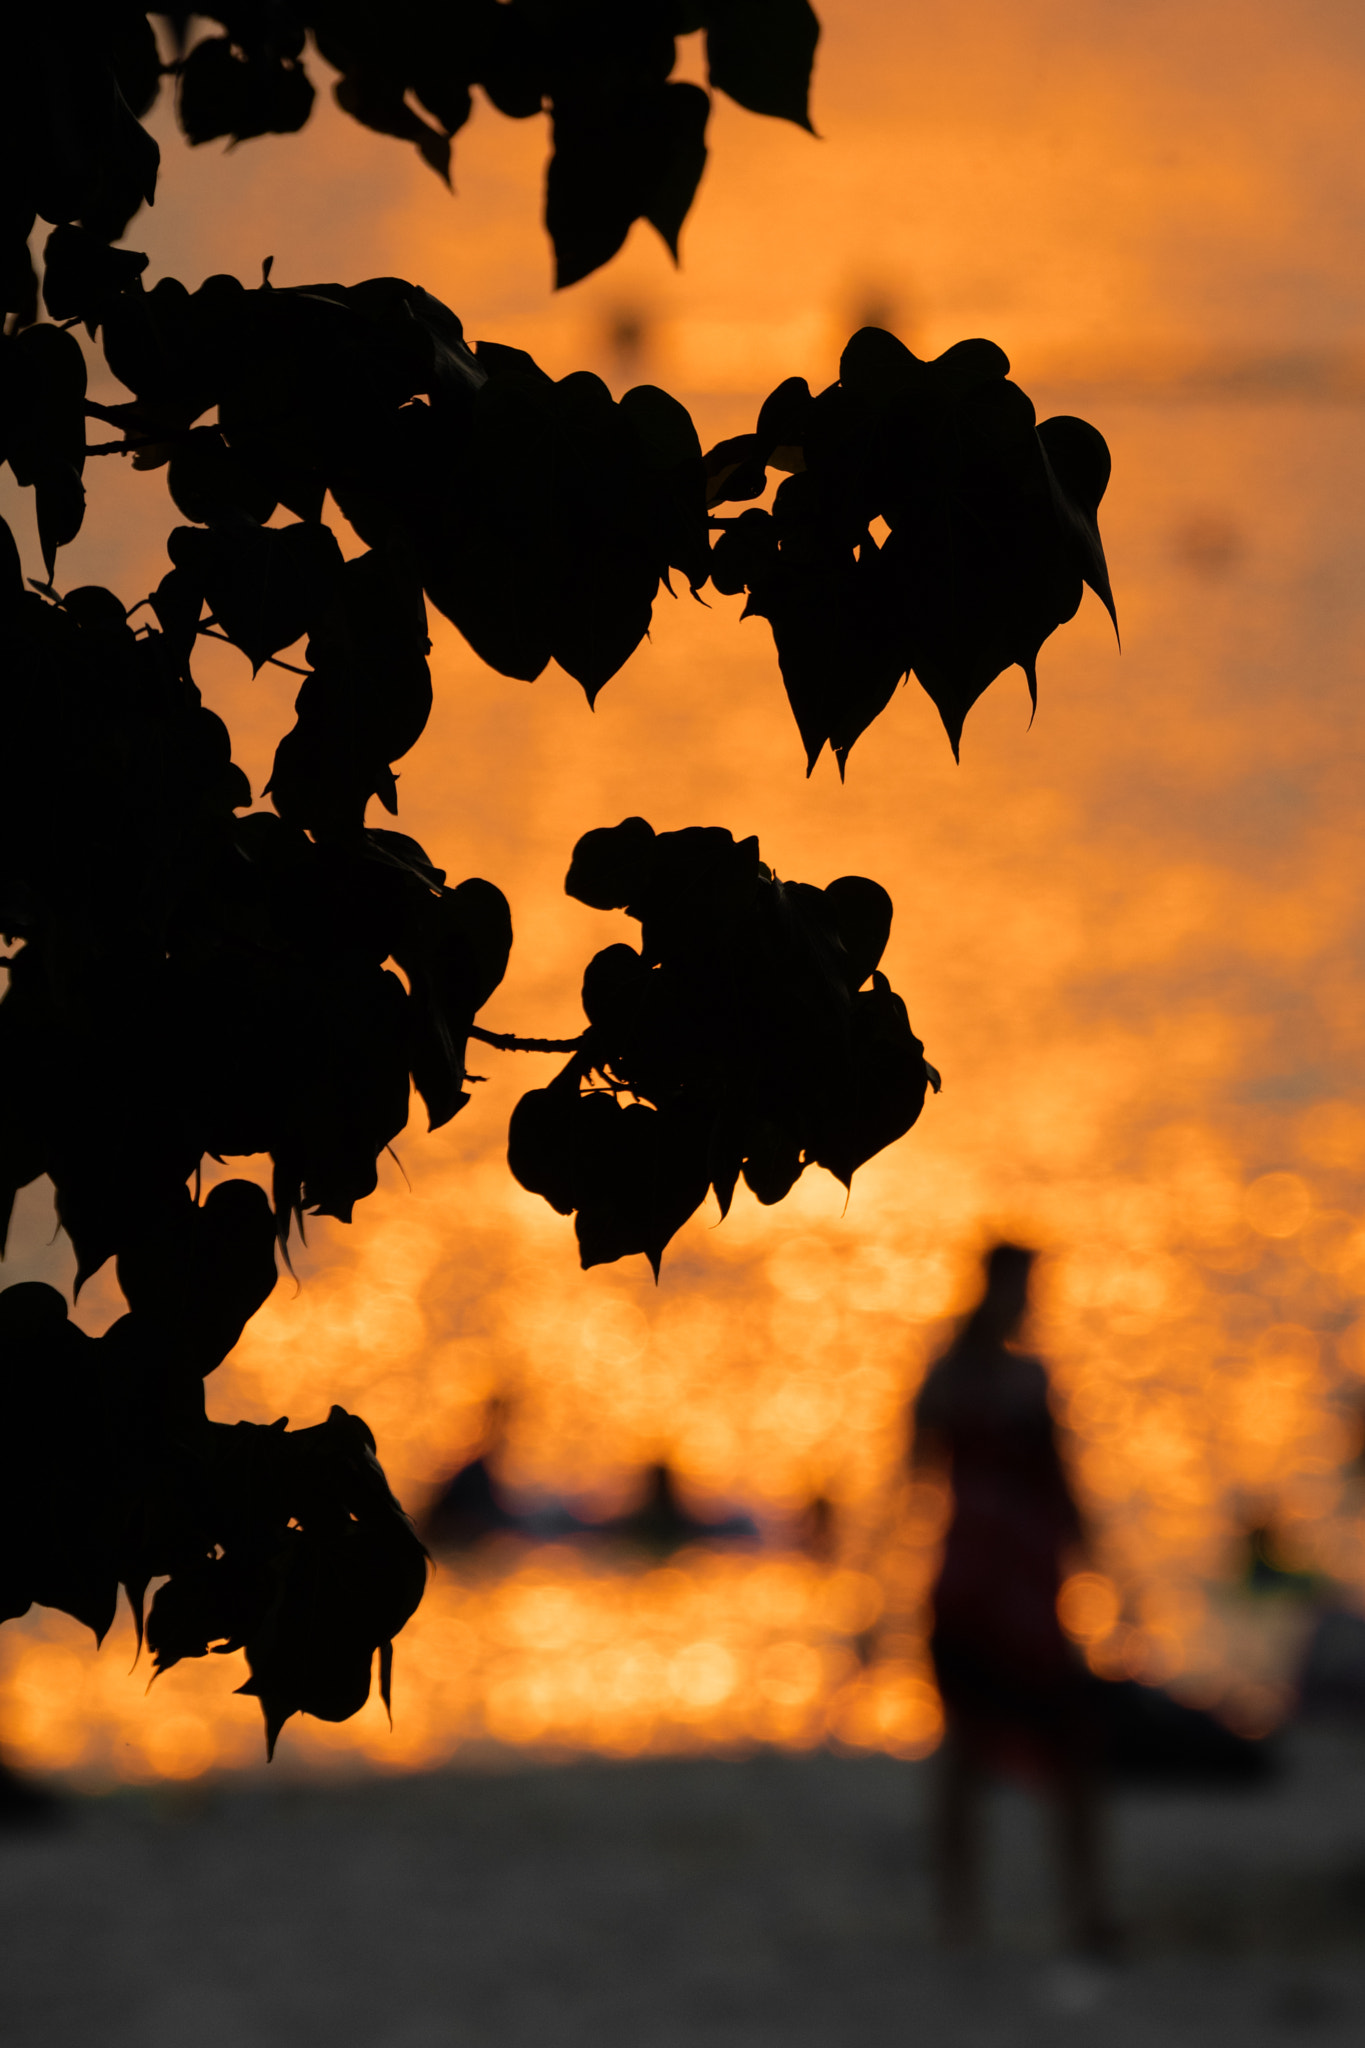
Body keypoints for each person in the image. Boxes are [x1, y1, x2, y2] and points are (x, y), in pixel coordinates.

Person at [911, 1242, 1115, 1952]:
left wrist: (1111, 1582)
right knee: (968, 1758)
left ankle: (1081, 1909)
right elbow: (901, 1493)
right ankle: (961, 1919)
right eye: (1022, 1286)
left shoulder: (1026, 1380)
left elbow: (1068, 1490)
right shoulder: (952, 1378)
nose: (1028, 1301)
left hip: (1026, 1589)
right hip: (975, 1590)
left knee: (1068, 1752)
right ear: (993, 1286)